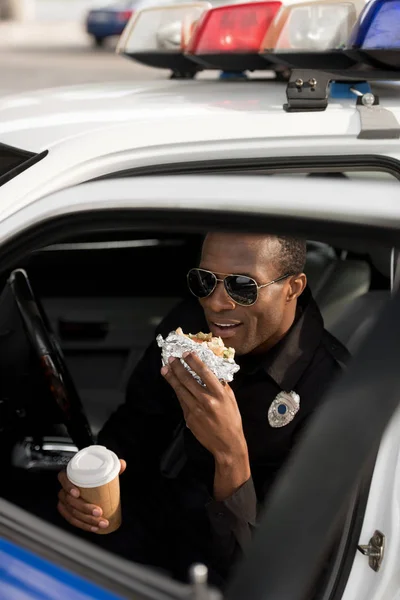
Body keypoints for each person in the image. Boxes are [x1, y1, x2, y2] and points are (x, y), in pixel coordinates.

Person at [57, 232, 349, 587]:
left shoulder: (337, 396)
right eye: (204, 281)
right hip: (155, 521)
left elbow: (274, 574)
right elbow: (135, 426)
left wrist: (230, 455)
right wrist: (94, 479)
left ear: (292, 287)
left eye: (243, 286)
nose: (215, 303)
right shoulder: (189, 328)